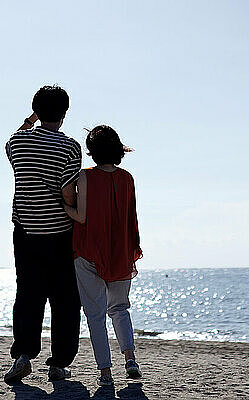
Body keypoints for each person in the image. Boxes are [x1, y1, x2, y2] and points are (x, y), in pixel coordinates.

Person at [3, 85, 82, 383]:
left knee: (28, 294)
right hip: (61, 232)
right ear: (64, 113)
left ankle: (23, 355)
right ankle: (59, 364)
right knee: (65, 299)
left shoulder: (18, 141)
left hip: (25, 231)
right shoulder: (70, 148)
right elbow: (67, 191)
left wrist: (29, 120)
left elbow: (13, 145)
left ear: (36, 111)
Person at [64, 125, 143, 386]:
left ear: (92, 151)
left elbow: (81, 216)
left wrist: (63, 203)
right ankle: (130, 359)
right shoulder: (127, 178)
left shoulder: (84, 177)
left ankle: (106, 374)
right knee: (120, 308)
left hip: (88, 251)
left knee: (95, 315)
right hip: (120, 251)